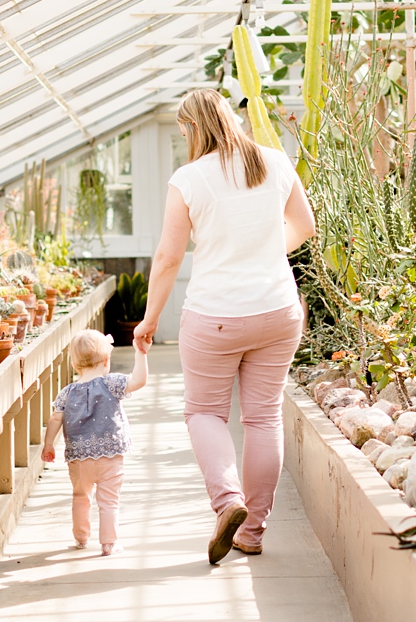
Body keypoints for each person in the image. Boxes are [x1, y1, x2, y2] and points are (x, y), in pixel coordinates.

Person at [135, 88, 317, 564]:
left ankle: (227, 501)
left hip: (215, 316)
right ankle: (252, 531)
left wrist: (150, 319)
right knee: (262, 417)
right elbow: (304, 225)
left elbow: (169, 256)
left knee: (205, 413)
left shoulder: (190, 178)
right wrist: (266, 254)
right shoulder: (275, 162)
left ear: (192, 128)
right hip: (278, 312)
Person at [41, 330, 147, 556]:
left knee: (81, 497)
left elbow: (55, 418)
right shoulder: (112, 383)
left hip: (79, 459)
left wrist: (48, 444)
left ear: (75, 364)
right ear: (106, 360)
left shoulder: (67, 392)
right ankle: (108, 544)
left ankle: (81, 538)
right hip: (110, 456)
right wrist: (141, 354)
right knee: (109, 501)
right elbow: (139, 380)